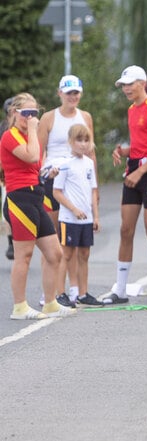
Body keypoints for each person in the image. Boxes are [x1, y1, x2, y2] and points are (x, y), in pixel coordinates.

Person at [1, 93, 75, 319]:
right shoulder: (10, 136)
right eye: (26, 114)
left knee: (54, 253)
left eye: (35, 113)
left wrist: (47, 172)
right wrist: (34, 129)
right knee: (24, 255)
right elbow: (32, 156)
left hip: (35, 196)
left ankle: (50, 301)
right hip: (19, 199)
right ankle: (19, 306)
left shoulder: (26, 135)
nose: (31, 118)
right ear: (15, 113)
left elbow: (34, 166)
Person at [108, 65, 147, 305]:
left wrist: (141, 171)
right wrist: (124, 151)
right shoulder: (131, 110)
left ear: (142, 83)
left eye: (129, 84)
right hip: (133, 170)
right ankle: (121, 289)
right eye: (123, 85)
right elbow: (140, 144)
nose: (126, 89)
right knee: (126, 229)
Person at [37, 75, 97, 307]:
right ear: (59, 93)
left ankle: (76, 291)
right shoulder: (49, 117)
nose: (73, 97)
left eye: (76, 93)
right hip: (54, 180)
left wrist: (96, 187)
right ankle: (51, 290)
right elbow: (38, 151)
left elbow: (91, 152)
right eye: (68, 92)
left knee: (78, 243)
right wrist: (41, 176)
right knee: (54, 239)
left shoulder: (85, 117)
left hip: (79, 179)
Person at [52, 124, 102, 306]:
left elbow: (93, 191)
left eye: (86, 140)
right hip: (69, 218)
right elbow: (57, 192)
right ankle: (61, 293)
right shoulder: (64, 164)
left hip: (86, 218)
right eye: (79, 140)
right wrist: (73, 209)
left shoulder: (89, 164)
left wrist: (95, 217)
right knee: (66, 253)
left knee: (84, 254)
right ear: (70, 142)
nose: (83, 144)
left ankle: (83, 293)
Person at [1, 97, 14, 260]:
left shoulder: (24, 128)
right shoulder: (3, 128)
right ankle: (11, 242)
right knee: (7, 211)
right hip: (6, 174)